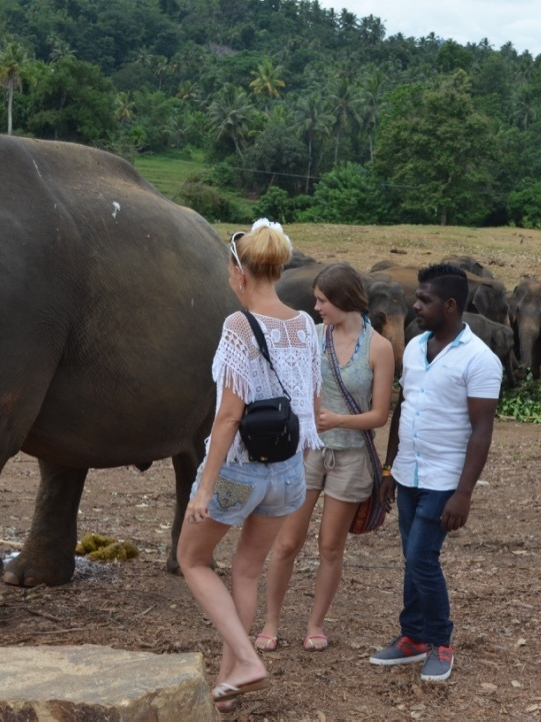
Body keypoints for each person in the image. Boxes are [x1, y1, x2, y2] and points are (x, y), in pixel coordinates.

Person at [176, 218, 322, 711]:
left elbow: (229, 416)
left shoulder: (239, 326)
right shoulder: (306, 325)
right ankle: (228, 686)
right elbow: (310, 408)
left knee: (192, 560)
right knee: (245, 570)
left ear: (240, 274)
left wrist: (203, 489)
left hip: (240, 472)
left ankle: (247, 658)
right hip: (289, 475)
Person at [369, 263, 502, 682]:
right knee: (413, 558)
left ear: (449, 305)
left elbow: (482, 432)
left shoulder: (481, 359)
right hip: (408, 473)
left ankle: (440, 643)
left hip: (445, 481)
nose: (415, 305)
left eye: (424, 299)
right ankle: (411, 638)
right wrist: (390, 468)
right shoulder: (412, 347)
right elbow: (404, 408)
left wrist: (464, 494)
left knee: (423, 559)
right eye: (417, 297)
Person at [255, 263, 395, 652]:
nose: (316, 307)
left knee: (330, 546)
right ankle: (270, 622)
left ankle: (315, 624)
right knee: (286, 543)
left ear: (343, 300)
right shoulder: (312, 337)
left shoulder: (379, 348)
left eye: (322, 300)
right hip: (310, 452)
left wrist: (337, 421)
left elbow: (380, 415)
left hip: (351, 459)